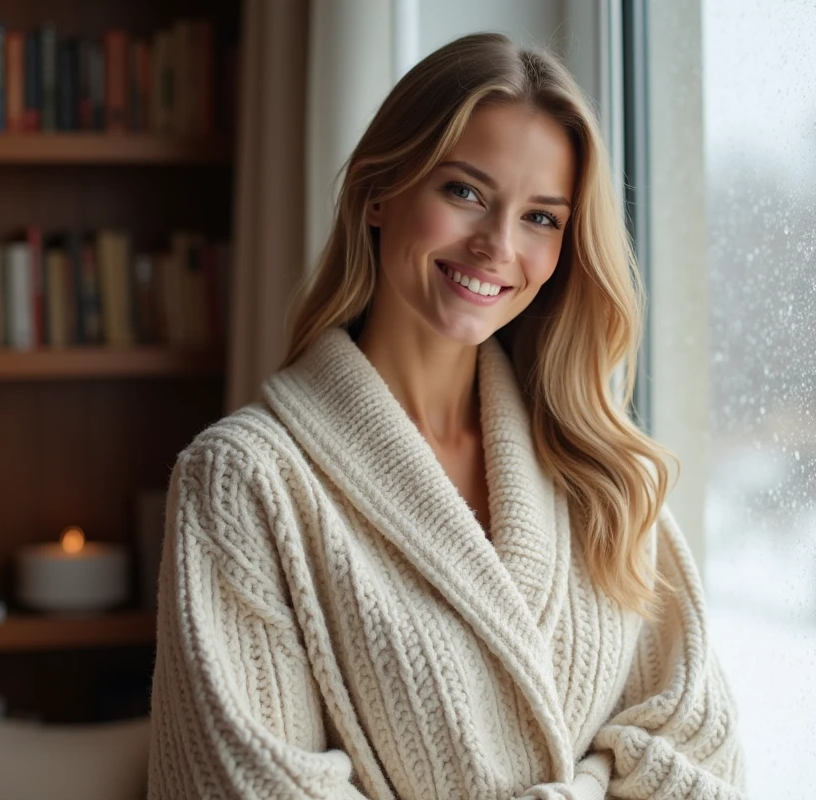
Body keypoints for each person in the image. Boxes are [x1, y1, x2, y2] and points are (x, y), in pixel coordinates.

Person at [147, 32, 746, 800]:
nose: (498, 245)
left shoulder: (599, 472)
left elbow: (703, 760)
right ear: (377, 191)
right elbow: (247, 786)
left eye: (541, 219)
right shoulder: (243, 480)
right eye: (464, 192)